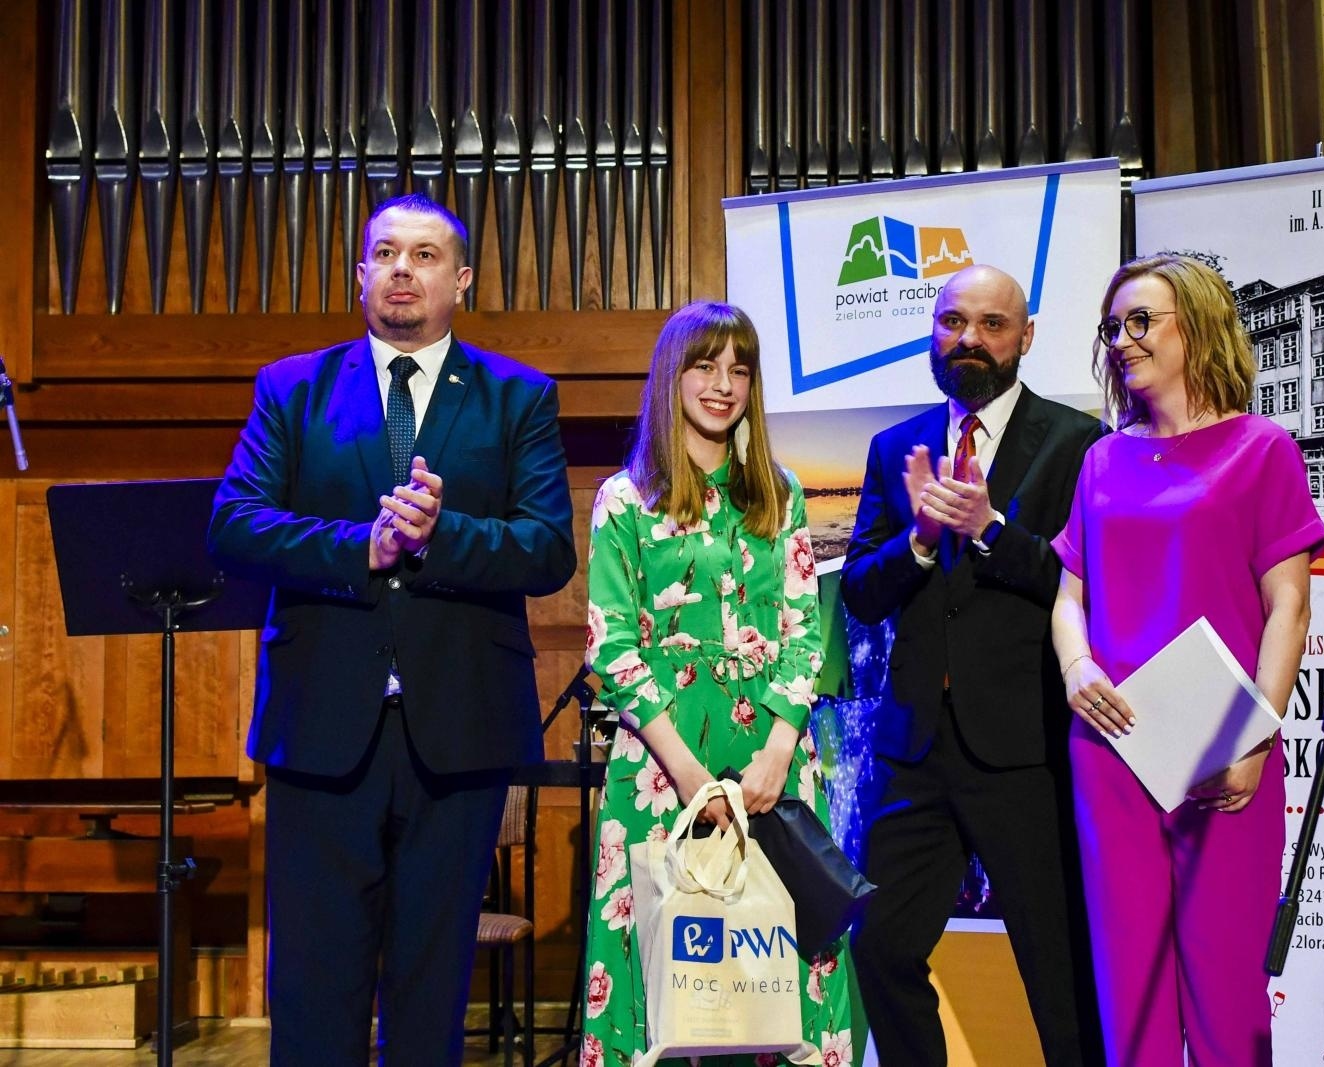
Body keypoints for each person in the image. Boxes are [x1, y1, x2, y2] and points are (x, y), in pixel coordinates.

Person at [209, 193, 576, 1066]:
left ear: (463, 279)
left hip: (458, 729)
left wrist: (441, 533)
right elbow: (234, 523)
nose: (403, 269)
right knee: (313, 977)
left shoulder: (517, 397)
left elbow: (548, 546)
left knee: (428, 980)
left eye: (424, 255)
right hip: (321, 722)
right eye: (386, 253)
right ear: (362, 273)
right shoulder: (293, 387)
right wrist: (361, 546)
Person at [1048, 253, 1324, 1066]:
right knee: (1128, 995)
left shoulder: (1262, 449)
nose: (1123, 342)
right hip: (1110, 746)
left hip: (1220, 745)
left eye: (1141, 322)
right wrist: (1077, 668)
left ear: (1196, 327)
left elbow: (1290, 608)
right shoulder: (1102, 459)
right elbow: (1072, 597)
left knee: (1227, 988)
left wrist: (1254, 736)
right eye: (1113, 328)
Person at [841, 264, 1105, 1066]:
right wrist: (918, 540)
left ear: (1025, 338)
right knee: (880, 949)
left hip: (1027, 751)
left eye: (992, 325)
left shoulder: (1077, 443)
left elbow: (1079, 586)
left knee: (1060, 979)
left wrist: (990, 527)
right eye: (954, 321)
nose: (970, 339)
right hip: (915, 752)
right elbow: (859, 592)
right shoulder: (897, 447)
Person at [581, 301, 855, 1066]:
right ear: (673, 374)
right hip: (666, 765)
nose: (723, 383)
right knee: (665, 972)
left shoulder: (782, 492)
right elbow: (614, 649)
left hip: (772, 758)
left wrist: (775, 752)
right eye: (705, 365)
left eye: (739, 369)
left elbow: (807, 633)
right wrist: (695, 777)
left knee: (780, 964)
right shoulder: (624, 498)